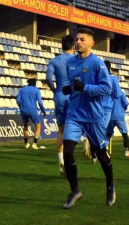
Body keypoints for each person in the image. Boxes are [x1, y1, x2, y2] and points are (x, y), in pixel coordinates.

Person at [61, 28, 115, 209]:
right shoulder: (70, 62)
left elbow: (106, 89)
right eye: (76, 39)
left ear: (92, 43)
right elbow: (73, 82)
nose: (78, 42)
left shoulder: (97, 64)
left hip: (93, 116)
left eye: (82, 39)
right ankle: (75, 190)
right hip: (74, 114)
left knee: (100, 154)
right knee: (67, 151)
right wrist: (70, 88)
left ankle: (110, 185)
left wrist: (85, 88)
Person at [46, 35, 75, 174]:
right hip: (73, 97)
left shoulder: (54, 60)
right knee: (75, 127)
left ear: (62, 46)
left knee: (61, 131)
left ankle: (61, 162)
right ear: (74, 46)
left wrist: (55, 90)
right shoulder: (76, 60)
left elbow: (48, 77)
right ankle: (82, 144)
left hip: (59, 97)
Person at [106, 69, 129, 158]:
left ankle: (105, 151)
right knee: (124, 134)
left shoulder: (108, 93)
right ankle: (126, 151)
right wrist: (123, 109)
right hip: (119, 116)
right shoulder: (121, 94)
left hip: (110, 116)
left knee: (108, 135)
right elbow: (125, 104)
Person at [16, 78, 46, 149]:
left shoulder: (22, 90)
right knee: (38, 125)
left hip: (23, 110)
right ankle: (34, 143)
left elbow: (18, 100)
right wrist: (43, 110)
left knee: (25, 126)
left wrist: (21, 106)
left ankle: (26, 143)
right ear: (34, 83)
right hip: (32, 110)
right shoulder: (36, 90)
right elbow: (40, 102)